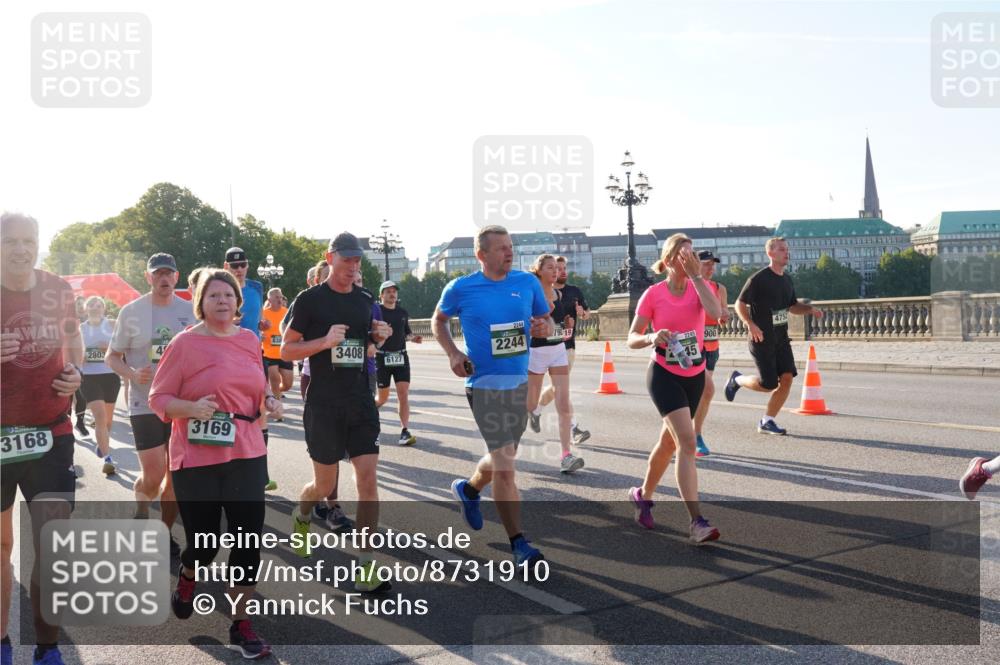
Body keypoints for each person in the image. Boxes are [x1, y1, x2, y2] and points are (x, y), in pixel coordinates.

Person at [149, 269, 281, 660]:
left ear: (238, 302)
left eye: (228, 295)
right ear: (200, 303)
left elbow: (259, 386)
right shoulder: (184, 344)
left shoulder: (249, 339)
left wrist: (270, 401)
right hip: (196, 458)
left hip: (247, 452)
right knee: (205, 544)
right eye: (213, 295)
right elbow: (158, 398)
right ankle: (190, 573)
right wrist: (191, 408)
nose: (222, 301)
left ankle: (241, 625)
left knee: (247, 541)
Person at [432, 225, 553, 572]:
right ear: (481, 255)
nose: (509, 252)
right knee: (506, 464)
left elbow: (545, 319)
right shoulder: (461, 287)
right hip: (483, 385)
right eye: (501, 248)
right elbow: (439, 321)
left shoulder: (526, 283)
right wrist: (454, 353)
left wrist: (544, 327)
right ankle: (519, 544)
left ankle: (470, 490)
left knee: (503, 456)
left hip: (519, 384)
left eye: (510, 246)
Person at [281, 232, 392, 592]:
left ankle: (366, 566)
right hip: (324, 404)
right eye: (347, 260)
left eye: (357, 260)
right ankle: (302, 515)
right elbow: (287, 350)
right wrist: (324, 342)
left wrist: (377, 337)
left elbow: (364, 345)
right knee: (324, 486)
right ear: (330, 259)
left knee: (368, 481)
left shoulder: (364, 299)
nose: (353, 266)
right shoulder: (310, 300)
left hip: (360, 400)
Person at [1, 211, 84, 665]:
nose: (20, 249)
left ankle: (47, 649)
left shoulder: (57, 290)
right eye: (10, 241)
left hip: (51, 433)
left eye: (27, 240)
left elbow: (73, 337)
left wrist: (76, 373)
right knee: (2, 547)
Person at [626, 233, 724, 542]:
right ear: (669, 260)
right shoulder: (653, 294)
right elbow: (631, 337)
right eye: (685, 255)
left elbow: (716, 314)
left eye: (693, 254)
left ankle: (643, 495)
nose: (691, 259)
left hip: (694, 374)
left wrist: (697, 278)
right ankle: (696, 521)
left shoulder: (701, 287)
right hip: (664, 374)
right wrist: (651, 337)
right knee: (687, 442)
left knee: (668, 443)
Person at [106, 253, 193, 555]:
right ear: (148, 277)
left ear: (177, 277)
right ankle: (142, 510)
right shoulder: (131, 312)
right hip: (144, 402)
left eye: (168, 273)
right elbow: (112, 357)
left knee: (176, 479)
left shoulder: (190, 310)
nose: (164, 278)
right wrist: (132, 373)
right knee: (154, 476)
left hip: (181, 405)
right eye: (158, 274)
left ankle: (163, 532)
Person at [724, 237, 823, 435]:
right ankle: (737, 379)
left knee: (787, 378)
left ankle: (767, 421)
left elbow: (792, 306)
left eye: (787, 249)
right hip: (761, 339)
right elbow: (739, 304)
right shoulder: (758, 279)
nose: (787, 253)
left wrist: (810, 309)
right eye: (782, 250)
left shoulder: (786, 280)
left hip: (781, 339)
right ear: (770, 253)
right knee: (768, 384)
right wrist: (750, 324)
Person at [525, 255, 584, 474]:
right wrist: (543, 315)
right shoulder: (532, 295)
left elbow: (559, 324)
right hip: (537, 352)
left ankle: (566, 455)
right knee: (530, 404)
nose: (555, 271)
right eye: (550, 267)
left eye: (556, 268)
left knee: (563, 403)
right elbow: (527, 323)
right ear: (539, 270)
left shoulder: (558, 294)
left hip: (558, 350)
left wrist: (566, 323)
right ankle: (527, 415)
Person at [223, 248, 275, 491]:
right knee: (230, 411)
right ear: (226, 267)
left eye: (242, 264)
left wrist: (260, 323)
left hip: (253, 354)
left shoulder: (256, 287)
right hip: (225, 356)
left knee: (260, 410)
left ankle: (260, 474)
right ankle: (228, 469)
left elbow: (256, 318)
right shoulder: (220, 288)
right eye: (234, 266)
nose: (239, 269)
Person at [537, 256, 590, 444]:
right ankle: (573, 429)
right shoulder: (541, 292)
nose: (562, 271)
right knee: (561, 388)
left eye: (563, 268)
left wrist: (582, 314)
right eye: (557, 268)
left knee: (558, 387)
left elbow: (586, 313)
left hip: (567, 347)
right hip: (542, 347)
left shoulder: (574, 291)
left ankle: (535, 409)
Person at [374, 280, 423, 446]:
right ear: (381, 295)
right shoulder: (377, 311)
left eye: (394, 291)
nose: (392, 294)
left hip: (401, 357)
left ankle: (404, 431)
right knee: (382, 398)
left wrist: (413, 338)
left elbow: (406, 333)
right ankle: (369, 418)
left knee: (403, 393)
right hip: (382, 357)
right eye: (388, 291)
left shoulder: (402, 312)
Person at [692, 250, 729, 457]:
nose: (711, 268)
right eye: (706, 264)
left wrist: (724, 315)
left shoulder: (719, 288)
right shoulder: (690, 286)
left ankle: (692, 433)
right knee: (705, 391)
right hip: (693, 347)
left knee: (703, 394)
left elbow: (722, 312)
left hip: (712, 347)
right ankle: (694, 435)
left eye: (713, 264)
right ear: (695, 265)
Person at [80, 295, 121, 475]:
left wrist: (110, 348)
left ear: (104, 309)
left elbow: (124, 349)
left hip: (110, 376)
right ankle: (107, 459)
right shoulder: (80, 329)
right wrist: (83, 355)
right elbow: (74, 354)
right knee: (100, 417)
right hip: (89, 377)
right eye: (92, 305)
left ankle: (102, 443)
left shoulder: (112, 324)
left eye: (99, 306)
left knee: (108, 421)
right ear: (86, 309)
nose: (95, 308)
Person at [261, 287, 293, 406]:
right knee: (274, 379)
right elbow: (257, 328)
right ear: (269, 300)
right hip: (268, 353)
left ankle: (273, 393)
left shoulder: (287, 312)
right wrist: (260, 335)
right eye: (276, 297)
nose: (279, 299)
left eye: (280, 297)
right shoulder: (263, 313)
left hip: (284, 352)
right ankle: (277, 406)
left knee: (287, 385)